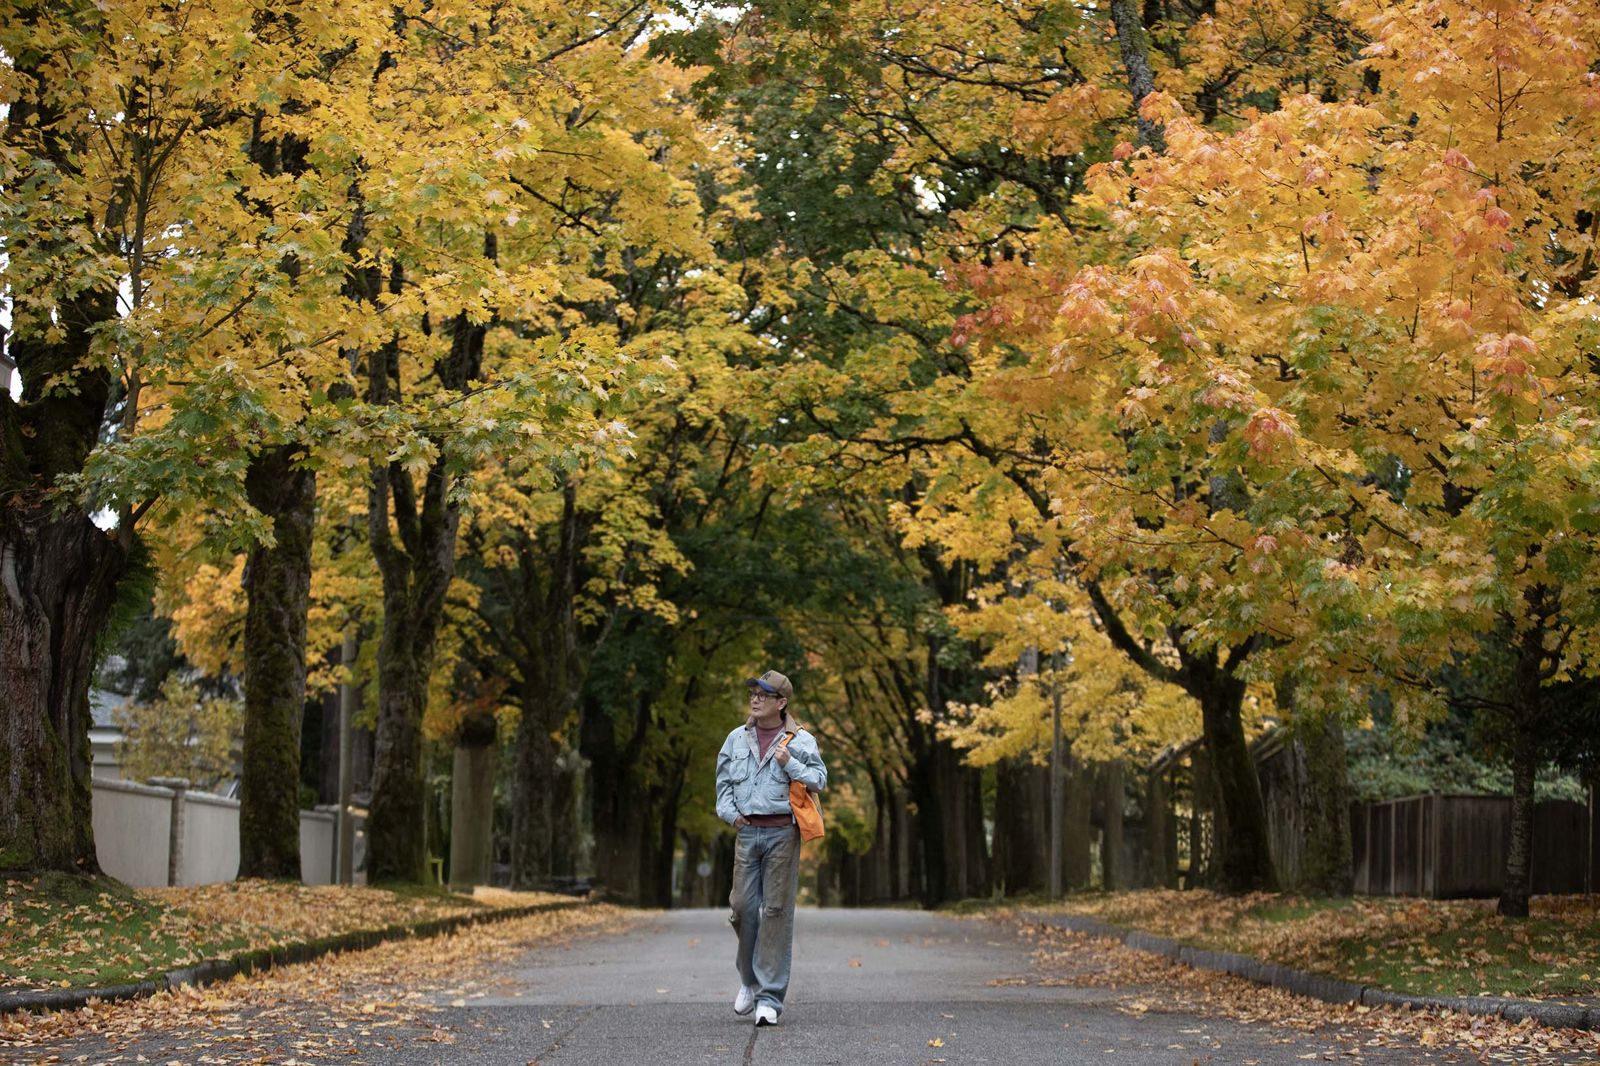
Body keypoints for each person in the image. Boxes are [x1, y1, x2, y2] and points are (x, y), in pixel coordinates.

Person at [714, 669, 827, 1027]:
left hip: (782, 834)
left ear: (781, 703)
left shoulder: (800, 740)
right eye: (753, 693)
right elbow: (722, 783)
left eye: (764, 695)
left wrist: (790, 763)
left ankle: (769, 998)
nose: (755, 699)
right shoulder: (735, 738)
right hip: (747, 833)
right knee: (742, 909)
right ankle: (748, 979)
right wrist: (732, 816)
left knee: (776, 912)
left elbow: (820, 779)